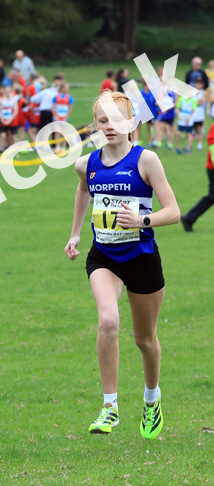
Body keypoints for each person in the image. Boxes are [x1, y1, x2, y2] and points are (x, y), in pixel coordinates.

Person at [64, 91, 180, 439]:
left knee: (144, 340)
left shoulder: (147, 160)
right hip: (104, 257)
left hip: (142, 258)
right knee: (108, 320)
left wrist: (143, 221)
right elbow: (84, 190)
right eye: (102, 121)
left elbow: (173, 211)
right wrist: (74, 234)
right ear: (95, 125)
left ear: (131, 123)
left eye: (117, 120)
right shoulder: (86, 163)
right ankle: (109, 406)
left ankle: (151, 398)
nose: (109, 126)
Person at [181, 116, 214, 231]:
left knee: (212, 197)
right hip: (213, 168)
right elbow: (213, 148)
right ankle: (189, 218)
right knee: (212, 196)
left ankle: (189, 218)